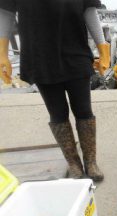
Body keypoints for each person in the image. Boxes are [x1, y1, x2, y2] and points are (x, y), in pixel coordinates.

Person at [0, 0, 110, 181]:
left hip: (76, 52)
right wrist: (2, 52)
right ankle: (74, 164)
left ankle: (91, 162)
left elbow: (89, 11)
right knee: (57, 113)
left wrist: (102, 46)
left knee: (84, 110)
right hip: (40, 57)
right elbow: (5, 13)